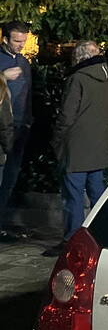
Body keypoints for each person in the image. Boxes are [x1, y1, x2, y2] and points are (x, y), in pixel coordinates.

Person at [50, 41, 108, 249]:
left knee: (73, 195)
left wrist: (56, 139)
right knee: (97, 189)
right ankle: (101, 234)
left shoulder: (77, 79)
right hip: (100, 142)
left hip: (76, 145)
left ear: (78, 57)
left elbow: (66, 115)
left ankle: (72, 240)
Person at [0, 21, 32, 243]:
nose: (21, 45)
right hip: (2, 128)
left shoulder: (24, 62)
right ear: (5, 39)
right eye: (17, 41)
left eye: (24, 40)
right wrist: (2, 75)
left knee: (10, 179)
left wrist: (29, 119)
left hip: (21, 127)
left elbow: (29, 91)